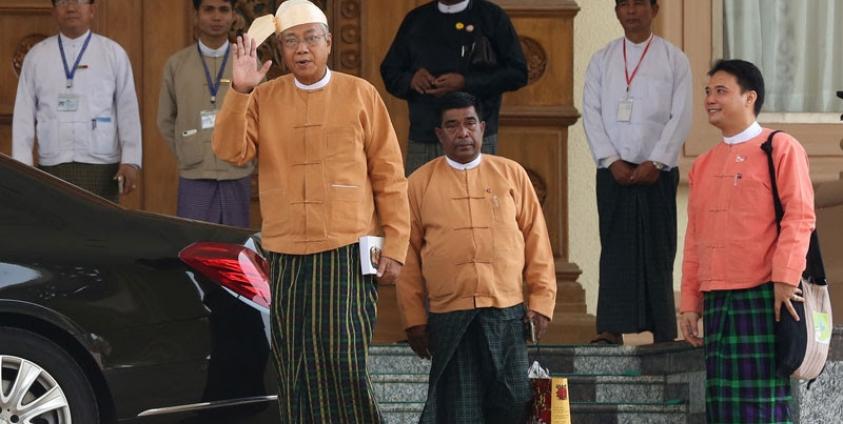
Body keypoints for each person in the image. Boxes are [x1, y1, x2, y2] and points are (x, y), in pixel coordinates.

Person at [211, 0, 410, 422]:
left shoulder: (361, 94)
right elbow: (230, 151)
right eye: (290, 41)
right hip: (286, 249)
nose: (301, 49)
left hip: (346, 248)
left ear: (329, 43)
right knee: (294, 359)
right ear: (281, 50)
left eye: (310, 39)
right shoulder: (264, 96)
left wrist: (396, 244)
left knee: (343, 356)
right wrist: (240, 91)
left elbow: (389, 174)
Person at [396, 92, 556, 424]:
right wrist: (414, 318)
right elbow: (406, 256)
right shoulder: (418, 184)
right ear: (439, 134)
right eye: (452, 125)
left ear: (482, 128)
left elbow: (537, 240)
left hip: (506, 311)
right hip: (449, 314)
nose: (462, 133)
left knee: (515, 401)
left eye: (470, 123)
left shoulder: (511, 174)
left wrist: (542, 301)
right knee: (459, 411)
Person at [680, 59, 814, 423]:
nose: (710, 99)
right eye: (708, 92)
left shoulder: (780, 147)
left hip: (765, 294)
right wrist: (690, 301)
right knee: (722, 404)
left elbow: (800, 216)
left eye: (721, 91)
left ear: (749, 97)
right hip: (716, 298)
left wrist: (785, 279)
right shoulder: (703, 164)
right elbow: (695, 237)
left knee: (762, 405)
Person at [582, 0, 692, 344]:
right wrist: (610, 159)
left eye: (639, 3)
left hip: (657, 172)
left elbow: (681, 115)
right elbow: (591, 112)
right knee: (615, 250)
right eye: (624, 4)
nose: (631, 11)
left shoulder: (674, 59)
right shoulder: (602, 60)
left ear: (654, 10)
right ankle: (611, 328)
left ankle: (662, 329)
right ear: (616, 12)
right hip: (613, 171)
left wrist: (656, 161)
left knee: (658, 250)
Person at [12, 0, 141, 203]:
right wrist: (22, 167)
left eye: (79, 1)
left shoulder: (113, 53)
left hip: (103, 168)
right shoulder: (37, 56)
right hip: (52, 166)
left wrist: (131, 161)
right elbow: (23, 116)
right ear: (54, 11)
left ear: (92, 9)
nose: (71, 8)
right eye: (63, 2)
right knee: (55, 222)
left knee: (100, 223)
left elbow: (128, 111)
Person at [380, 0, 528, 175]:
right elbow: (390, 71)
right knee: (420, 191)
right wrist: (411, 79)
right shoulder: (417, 19)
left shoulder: (491, 16)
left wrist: (465, 82)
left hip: (475, 137)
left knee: (476, 191)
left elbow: (517, 73)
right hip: (425, 135)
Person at [156, 0, 254, 227]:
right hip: (195, 173)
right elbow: (165, 120)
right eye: (209, 9)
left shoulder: (247, 62)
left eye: (223, 10)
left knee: (234, 241)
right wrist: (187, 149)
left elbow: (262, 117)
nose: (216, 17)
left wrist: (247, 152)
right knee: (195, 240)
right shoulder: (177, 64)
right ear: (196, 15)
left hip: (235, 172)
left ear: (233, 16)